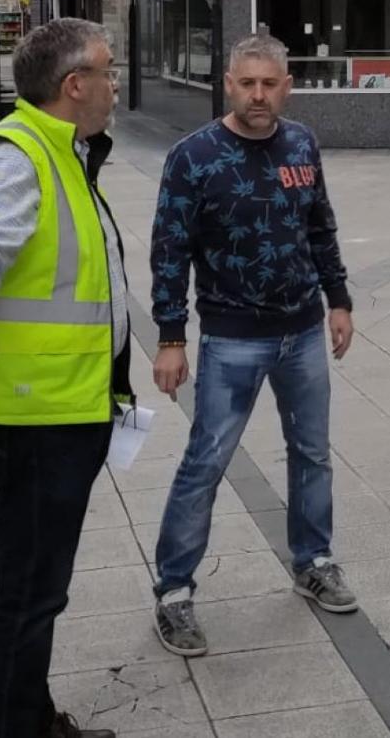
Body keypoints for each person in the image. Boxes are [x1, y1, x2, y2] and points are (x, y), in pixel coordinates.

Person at [0, 18, 128, 738]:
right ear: (75, 85)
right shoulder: (19, 155)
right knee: (27, 593)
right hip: (33, 418)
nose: (115, 83)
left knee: (39, 588)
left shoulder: (63, 151)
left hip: (58, 407)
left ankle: (29, 717)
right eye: (108, 71)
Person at [148, 34, 357, 657]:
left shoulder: (301, 143)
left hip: (301, 332)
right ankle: (175, 592)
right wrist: (169, 336)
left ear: (286, 86)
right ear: (228, 82)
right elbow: (169, 251)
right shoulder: (194, 156)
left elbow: (319, 225)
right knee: (205, 462)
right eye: (247, 83)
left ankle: (313, 560)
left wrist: (338, 299)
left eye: (270, 84)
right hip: (232, 338)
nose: (258, 95)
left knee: (312, 451)